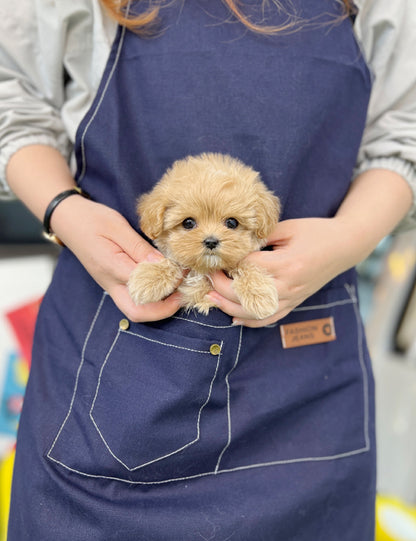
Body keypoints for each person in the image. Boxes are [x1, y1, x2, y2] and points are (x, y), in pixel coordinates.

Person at [0, 0, 415, 539]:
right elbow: (13, 99)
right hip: (115, 379)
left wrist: (347, 238)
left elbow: (402, 135)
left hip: (301, 380)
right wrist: (66, 211)